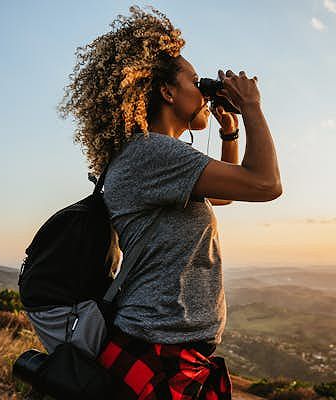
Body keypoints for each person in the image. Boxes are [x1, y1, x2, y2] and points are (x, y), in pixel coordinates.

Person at [57, 6, 281, 400]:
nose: (204, 89)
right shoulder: (154, 153)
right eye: (196, 81)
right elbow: (266, 184)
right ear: (167, 92)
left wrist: (230, 134)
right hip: (160, 353)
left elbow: (225, 195)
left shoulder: (151, 155)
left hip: (164, 348)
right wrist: (251, 106)